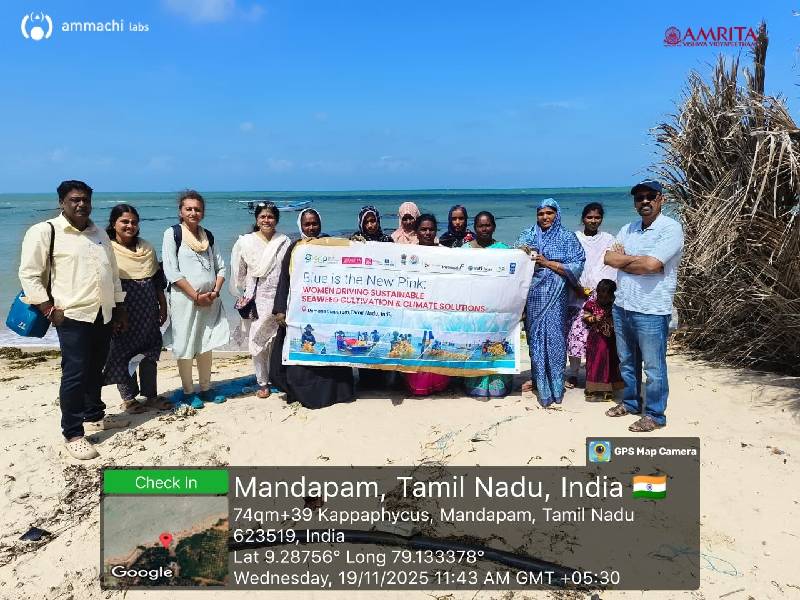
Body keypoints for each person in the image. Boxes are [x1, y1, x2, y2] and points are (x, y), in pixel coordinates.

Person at [18, 180, 129, 460]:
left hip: (102, 314)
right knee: (75, 374)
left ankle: (94, 416)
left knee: (96, 369)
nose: (81, 205)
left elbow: (112, 273)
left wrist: (118, 307)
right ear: (62, 203)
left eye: (85, 200)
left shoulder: (100, 234)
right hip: (71, 316)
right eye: (74, 200)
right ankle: (73, 432)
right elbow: (29, 274)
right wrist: (47, 308)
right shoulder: (46, 231)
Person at [603, 180, 683, 432]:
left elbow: (652, 265)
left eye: (650, 196)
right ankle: (630, 402)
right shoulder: (628, 229)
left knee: (654, 366)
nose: (645, 201)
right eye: (640, 198)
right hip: (623, 304)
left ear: (661, 199)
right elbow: (608, 257)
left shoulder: (670, 229)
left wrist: (626, 261)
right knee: (626, 360)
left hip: (652, 308)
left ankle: (656, 415)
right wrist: (641, 261)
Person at [271, 208, 355, 408]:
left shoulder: (329, 245)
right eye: (307, 224)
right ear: (301, 226)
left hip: (327, 310)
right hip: (301, 310)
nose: (311, 228)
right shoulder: (295, 248)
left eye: (314, 223)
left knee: (329, 353)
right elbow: (285, 280)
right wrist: (280, 308)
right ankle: (304, 391)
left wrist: (355, 243)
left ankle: (337, 392)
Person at [162, 190, 230, 408]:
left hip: (210, 300)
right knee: (184, 343)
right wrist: (195, 296)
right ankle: (189, 391)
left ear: (203, 212)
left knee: (205, 342)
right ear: (180, 211)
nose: (193, 212)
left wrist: (215, 292)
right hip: (184, 300)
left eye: (197, 209)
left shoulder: (207, 236)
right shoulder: (172, 234)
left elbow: (220, 267)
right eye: (188, 208)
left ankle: (206, 387)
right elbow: (172, 271)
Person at [516, 198, 585, 407]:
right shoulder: (527, 235)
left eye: (549, 213)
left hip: (556, 296)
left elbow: (577, 264)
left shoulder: (567, 237)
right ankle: (541, 384)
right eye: (541, 213)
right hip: (533, 295)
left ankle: (556, 384)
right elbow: (516, 260)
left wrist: (548, 263)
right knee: (535, 339)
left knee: (555, 339)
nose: (545, 217)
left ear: (557, 214)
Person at [103, 204, 171, 413]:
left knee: (150, 351)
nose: (129, 225)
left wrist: (162, 304)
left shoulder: (146, 248)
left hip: (148, 309)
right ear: (114, 223)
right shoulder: (106, 248)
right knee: (123, 353)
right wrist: (113, 313)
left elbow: (157, 279)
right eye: (124, 221)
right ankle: (129, 399)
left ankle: (151, 395)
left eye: (133, 222)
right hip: (122, 311)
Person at [230, 202, 290, 398]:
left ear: (276, 220)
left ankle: (276, 378)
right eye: (263, 216)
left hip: (280, 297)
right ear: (257, 219)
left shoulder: (284, 241)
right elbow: (239, 274)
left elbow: (289, 270)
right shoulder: (246, 242)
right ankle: (262, 382)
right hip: (256, 298)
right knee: (258, 341)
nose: (266, 220)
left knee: (277, 341)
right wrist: (247, 290)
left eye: (270, 217)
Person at [461, 211, 513, 398]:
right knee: (476, 345)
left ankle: (499, 380)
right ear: (474, 228)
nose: (484, 229)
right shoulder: (464, 250)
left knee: (497, 345)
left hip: (497, 310)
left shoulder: (505, 250)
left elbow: (515, 278)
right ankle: (475, 381)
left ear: (494, 226)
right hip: (473, 311)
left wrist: (523, 254)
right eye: (480, 225)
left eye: (488, 225)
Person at [565, 203, 617, 388]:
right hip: (576, 293)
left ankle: (593, 372)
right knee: (575, 335)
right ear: (583, 218)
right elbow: (569, 263)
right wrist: (577, 285)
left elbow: (611, 264)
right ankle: (572, 373)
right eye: (589, 217)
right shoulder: (574, 237)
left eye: (597, 217)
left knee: (595, 336)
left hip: (598, 296)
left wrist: (602, 292)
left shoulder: (609, 239)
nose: (593, 221)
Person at [404, 214, 451, 396]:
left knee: (436, 345)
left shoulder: (446, 253)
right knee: (419, 346)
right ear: (416, 231)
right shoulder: (407, 254)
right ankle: (419, 385)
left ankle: (439, 384)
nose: (428, 232)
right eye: (423, 229)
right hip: (416, 312)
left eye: (431, 229)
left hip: (439, 310)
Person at [582, 279, 624, 399]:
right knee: (595, 363)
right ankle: (592, 388)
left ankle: (608, 389)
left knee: (611, 362)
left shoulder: (615, 305)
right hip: (596, 340)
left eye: (607, 297)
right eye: (601, 296)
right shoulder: (591, 304)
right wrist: (594, 319)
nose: (604, 299)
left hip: (611, 340)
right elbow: (585, 317)